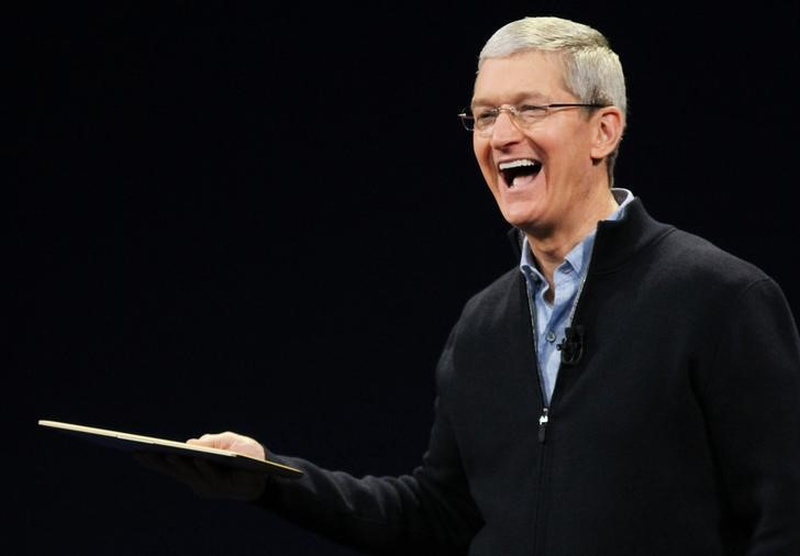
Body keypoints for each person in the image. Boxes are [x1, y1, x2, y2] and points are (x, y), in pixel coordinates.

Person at [140, 16, 800, 555]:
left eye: (530, 109)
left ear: (605, 130)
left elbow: (784, 521)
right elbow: (438, 513)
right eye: (484, 117)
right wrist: (272, 479)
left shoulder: (718, 298)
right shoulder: (483, 326)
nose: (501, 135)